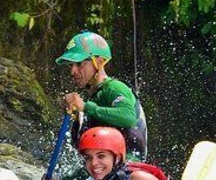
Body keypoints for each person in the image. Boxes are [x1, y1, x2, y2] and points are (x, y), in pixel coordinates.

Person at [55, 31, 148, 161]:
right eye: (71, 65)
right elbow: (82, 148)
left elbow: (128, 117)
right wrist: (77, 118)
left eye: (80, 63)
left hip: (127, 169)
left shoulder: (114, 87)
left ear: (99, 62)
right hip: (105, 170)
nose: (72, 71)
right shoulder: (95, 96)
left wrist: (85, 107)